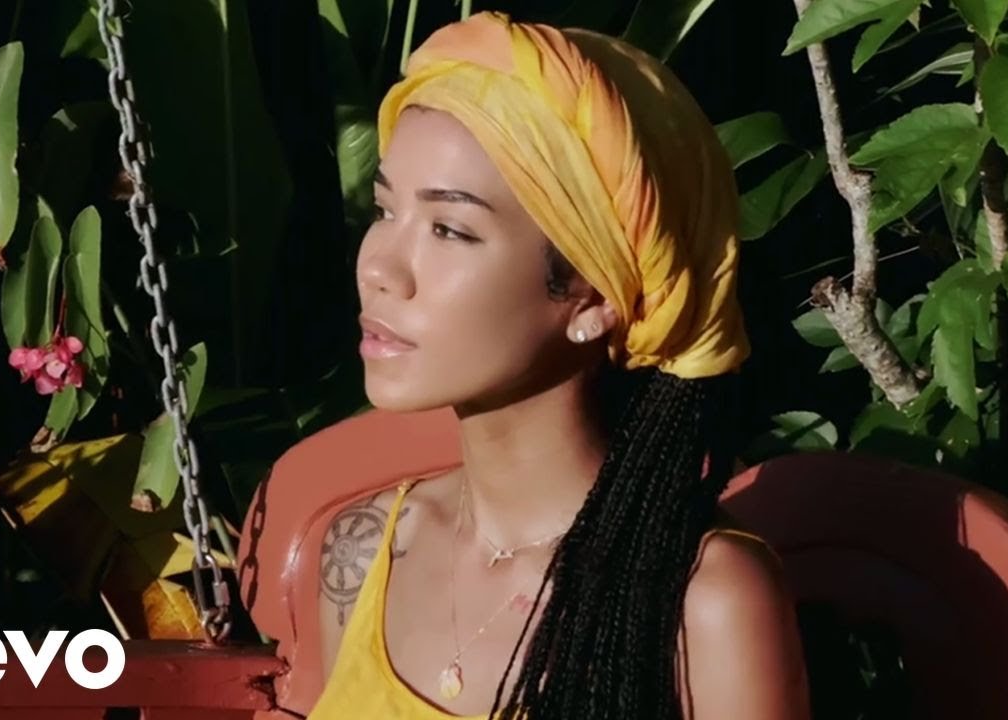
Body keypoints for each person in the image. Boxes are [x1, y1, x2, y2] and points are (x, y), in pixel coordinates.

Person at [309, 11, 810, 720]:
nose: (379, 268)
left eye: (449, 229)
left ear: (593, 296)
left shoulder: (702, 601)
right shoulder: (367, 553)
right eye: (385, 211)